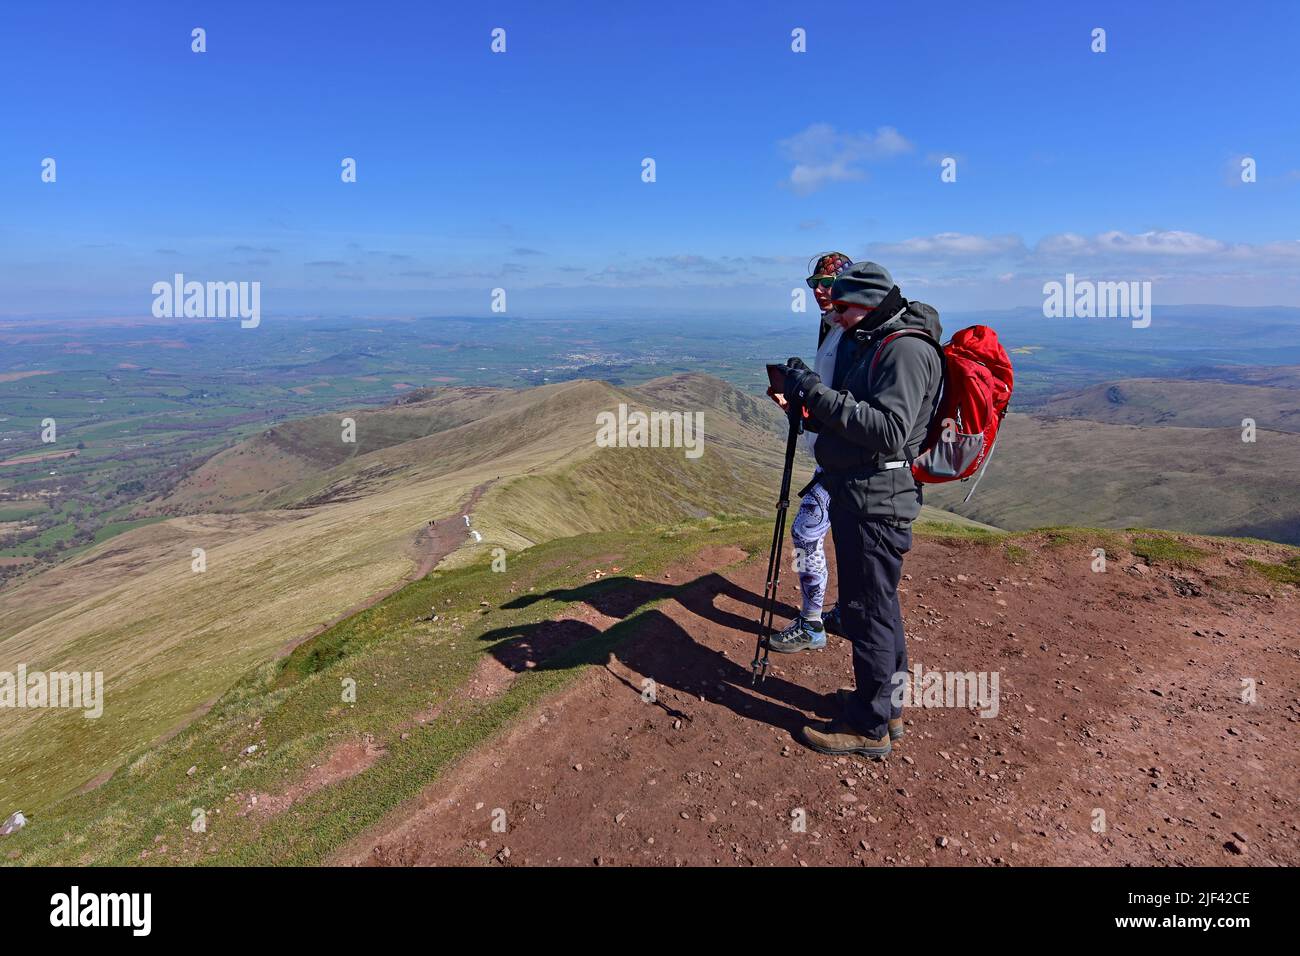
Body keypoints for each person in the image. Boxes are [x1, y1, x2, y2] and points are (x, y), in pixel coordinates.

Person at [780, 262, 943, 759]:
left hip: (877, 500)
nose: (837, 315)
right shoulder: (875, 338)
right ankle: (884, 708)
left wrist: (815, 392)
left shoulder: (906, 350)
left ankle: (868, 728)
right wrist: (809, 398)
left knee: (867, 613)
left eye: (844, 307)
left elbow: (889, 430)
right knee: (878, 607)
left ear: (870, 302)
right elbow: (859, 411)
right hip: (863, 494)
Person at [765, 252, 853, 654]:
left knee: (804, 533)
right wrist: (796, 407)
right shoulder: (833, 327)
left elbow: (851, 408)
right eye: (812, 282)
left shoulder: (853, 333)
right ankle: (849, 613)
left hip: (847, 459)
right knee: (848, 537)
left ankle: (812, 623)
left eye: (828, 283)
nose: (818, 290)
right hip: (837, 454)